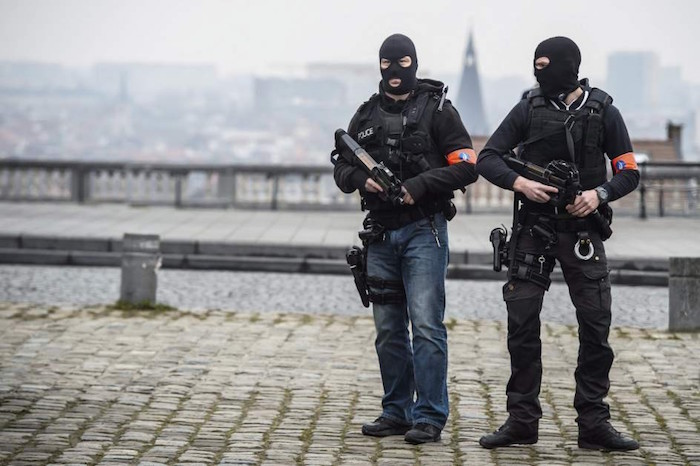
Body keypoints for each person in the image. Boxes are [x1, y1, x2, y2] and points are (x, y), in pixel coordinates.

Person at [476, 36, 640, 451]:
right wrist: (521, 183)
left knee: (595, 326)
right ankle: (521, 420)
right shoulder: (527, 109)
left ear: (569, 66)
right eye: (536, 64)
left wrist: (598, 195)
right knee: (522, 325)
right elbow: (488, 157)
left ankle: (593, 422)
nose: (539, 71)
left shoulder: (604, 112)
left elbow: (628, 171)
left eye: (547, 64)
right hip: (533, 229)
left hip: (583, 231)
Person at [332, 33, 478, 444]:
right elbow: (341, 170)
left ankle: (429, 415)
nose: (395, 71)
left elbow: (468, 166)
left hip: (423, 229)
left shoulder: (439, 111)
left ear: (415, 62)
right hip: (380, 233)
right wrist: (364, 179)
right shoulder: (364, 116)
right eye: (387, 64)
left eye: (402, 62)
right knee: (388, 329)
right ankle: (395, 411)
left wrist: (419, 185)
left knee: (427, 326)